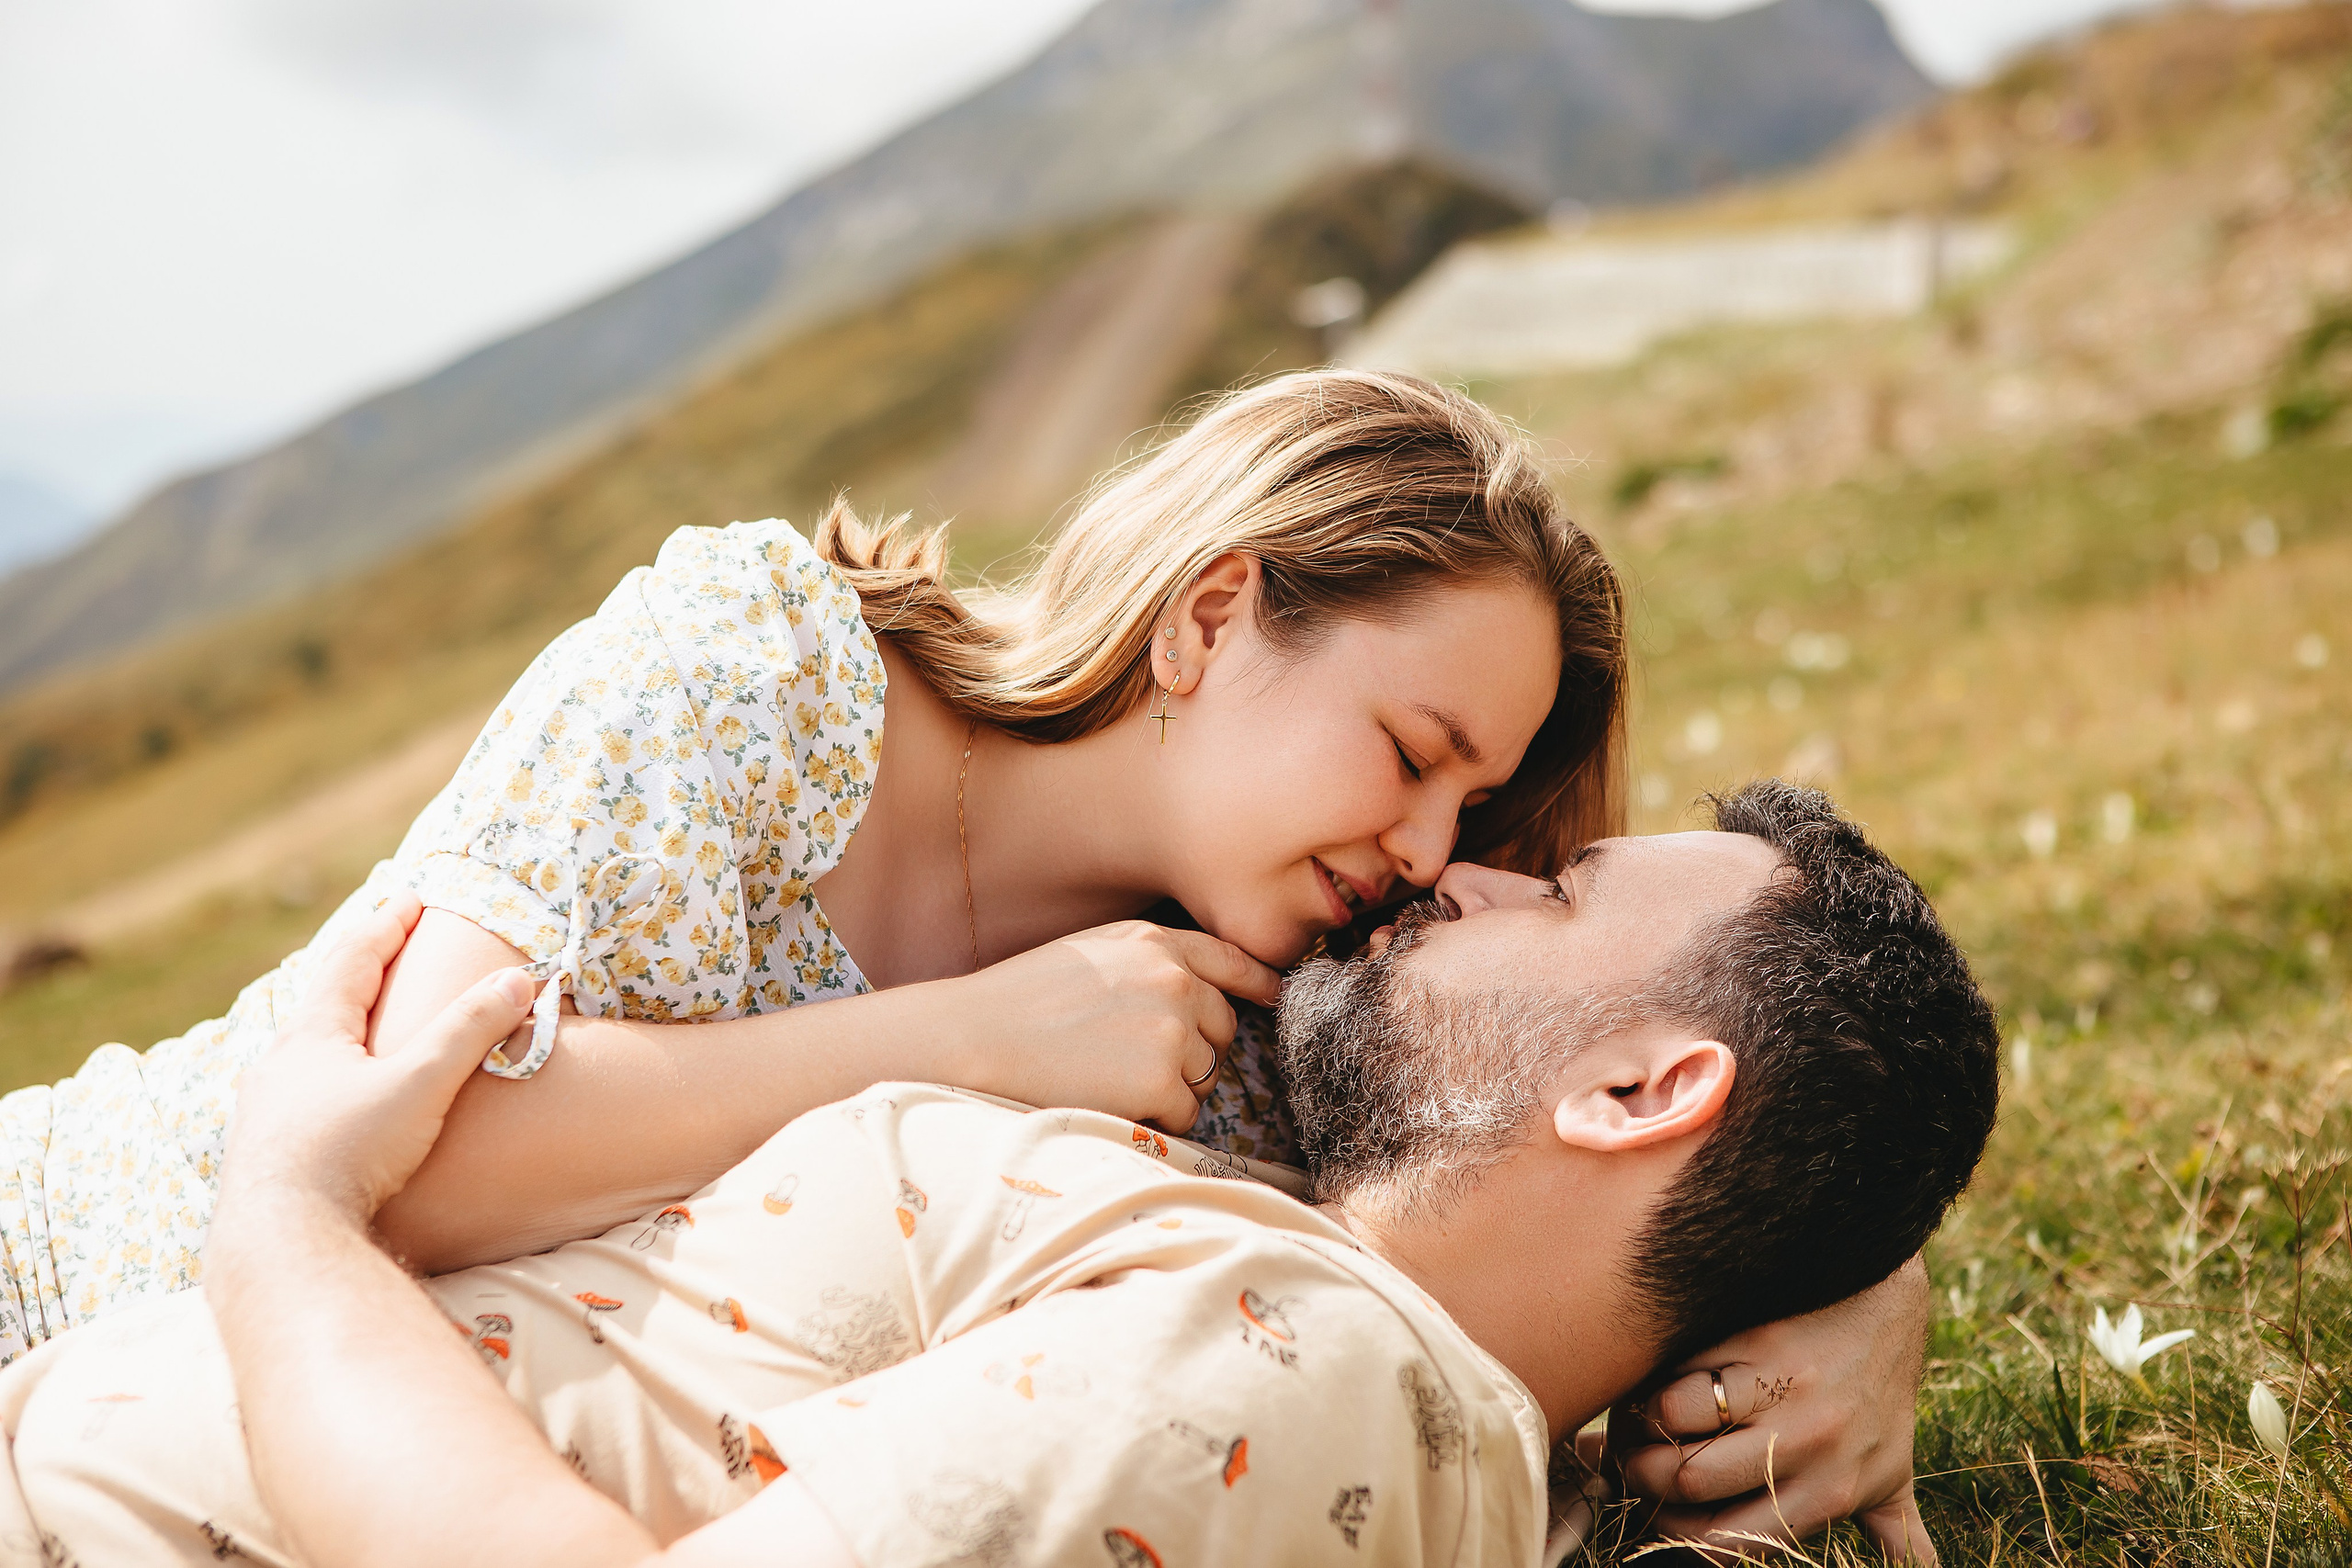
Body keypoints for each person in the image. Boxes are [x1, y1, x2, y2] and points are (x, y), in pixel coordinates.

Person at [0, 782, 2001, 1567]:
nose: (1448, 866)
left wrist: (284, 1210)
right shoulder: (1507, 1450)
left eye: (1548, 886)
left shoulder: (1300, 1358)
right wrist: (1849, 1280)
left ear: (1645, 1084)